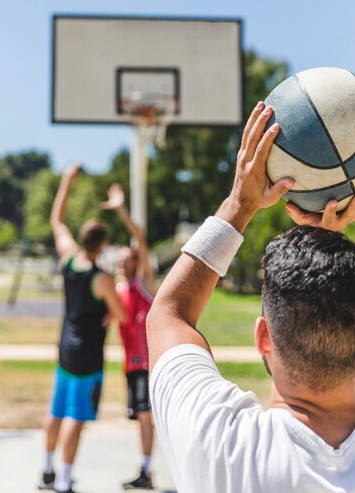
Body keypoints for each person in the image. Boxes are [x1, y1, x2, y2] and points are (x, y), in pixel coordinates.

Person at [147, 101, 355, 493]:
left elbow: (168, 313)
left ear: (263, 337)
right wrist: (331, 240)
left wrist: (239, 205)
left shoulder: (217, 445)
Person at [38, 164, 126, 493]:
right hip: (88, 354)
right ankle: (63, 480)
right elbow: (122, 313)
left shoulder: (68, 259)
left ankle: (46, 471)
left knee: (56, 410)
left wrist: (66, 182)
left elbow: (57, 220)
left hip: (64, 349)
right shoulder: (101, 277)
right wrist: (109, 313)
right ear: (102, 244)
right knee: (76, 416)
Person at [102, 183, 155, 490]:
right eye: (119, 259)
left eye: (127, 258)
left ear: (135, 261)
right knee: (142, 419)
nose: (122, 262)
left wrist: (121, 209)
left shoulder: (143, 282)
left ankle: (147, 472)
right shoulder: (118, 291)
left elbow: (140, 239)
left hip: (148, 364)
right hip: (131, 366)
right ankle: (146, 469)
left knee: (147, 417)